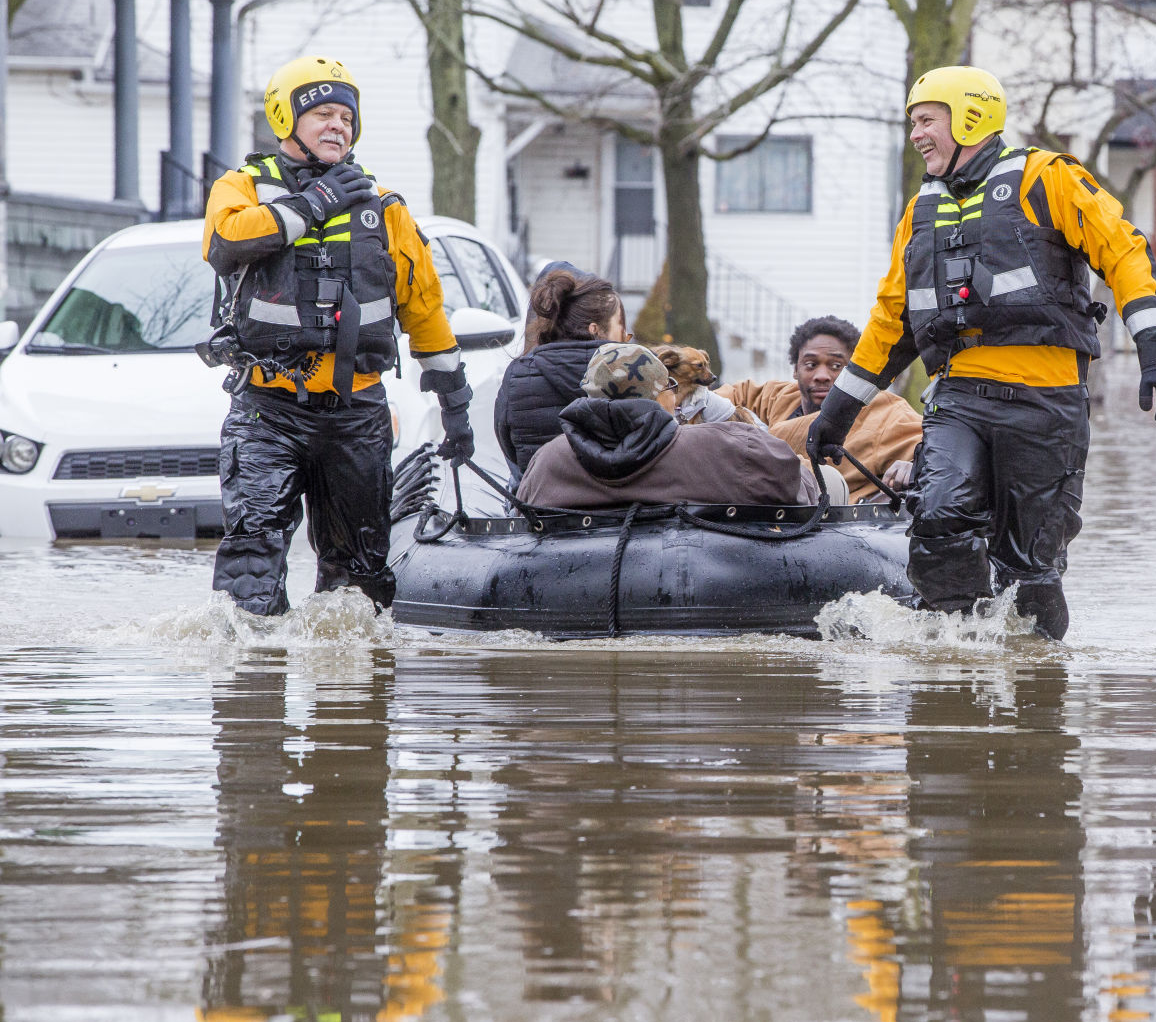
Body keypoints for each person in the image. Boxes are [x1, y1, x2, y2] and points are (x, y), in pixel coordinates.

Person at [806, 66, 1156, 639]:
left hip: (1046, 406)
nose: (915, 135)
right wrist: (837, 415)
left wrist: (1155, 348)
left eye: (926, 121)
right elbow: (892, 321)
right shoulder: (919, 213)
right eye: (913, 123)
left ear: (970, 117)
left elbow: (1124, 251)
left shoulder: (1046, 178)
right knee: (938, 520)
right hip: (959, 401)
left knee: (1029, 569)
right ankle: (953, 661)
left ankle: (1036, 678)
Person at [202, 55, 472, 616]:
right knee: (251, 569)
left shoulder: (385, 208)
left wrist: (456, 406)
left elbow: (424, 310)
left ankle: (349, 674)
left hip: (356, 414)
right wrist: (314, 203)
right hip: (267, 411)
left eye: (346, 118)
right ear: (286, 119)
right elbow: (225, 243)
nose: (337, 126)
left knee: (359, 583)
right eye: (323, 114)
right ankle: (254, 665)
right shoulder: (242, 187)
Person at [516, 343, 819, 509]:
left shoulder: (547, 460)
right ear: (660, 394)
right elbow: (800, 488)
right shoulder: (727, 446)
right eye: (670, 386)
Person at [719, 316, 923, 501]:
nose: (822, 376)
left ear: (855, 371)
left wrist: (912, 466)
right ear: (795, 370)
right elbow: (723, 399)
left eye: (836, 366)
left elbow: (930, 449)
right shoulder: (779, 397)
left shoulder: (884, 411)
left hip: (837, 522)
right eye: (811, 364)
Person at [493, 262, 627, 475]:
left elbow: (510, 450)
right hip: (621, 495)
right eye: (622, 329)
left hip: (540, 493)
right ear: (595, 329)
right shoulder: (633, 374)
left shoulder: (517, 376)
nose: (626, 339)